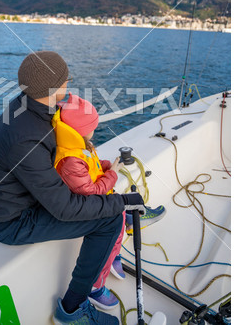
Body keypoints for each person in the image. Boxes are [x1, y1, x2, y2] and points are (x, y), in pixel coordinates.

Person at [0, 51, 147, 325]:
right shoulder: (27, 137)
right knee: (110, 219)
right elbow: (65, 209)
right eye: (66, 80)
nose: (69, 85)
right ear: (57, 87)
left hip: (21, 198)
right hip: (13, 221)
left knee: (108, 207)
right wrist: (122, 202)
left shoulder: (25, 106)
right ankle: (73, 309)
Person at [53, 93, 166, 311]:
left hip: (95, 197)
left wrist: (105, 166)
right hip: (86, 207)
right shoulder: (70, 160)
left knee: (120, 216)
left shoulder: (77, 147)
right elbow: (91, 192)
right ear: (82, 130)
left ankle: (115, 253)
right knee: (114, 221)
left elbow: (90, 167)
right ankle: (95, 287)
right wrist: (112, 174)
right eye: (93, 126)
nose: (95, 130)